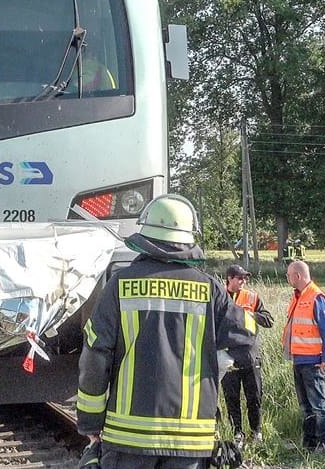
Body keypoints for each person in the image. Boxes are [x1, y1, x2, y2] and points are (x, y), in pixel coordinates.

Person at [76, 194, 256, 468]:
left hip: (128, 438)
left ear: (146, 234)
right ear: (188, 238)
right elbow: (247, 334)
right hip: (191, 442)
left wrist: (90, 421)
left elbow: (95, 356)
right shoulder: (210, 290)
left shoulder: (119, 285)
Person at [283, 260, 325, 453]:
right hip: (299, 359)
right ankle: (309, 444)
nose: (287, 278)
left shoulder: (315, 297)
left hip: (313, 363)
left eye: (289, 275)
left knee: (318, 406)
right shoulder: (298, 296)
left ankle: (324, 446)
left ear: (297, 276)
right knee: (305, 406)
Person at [220, 264, 274, 446]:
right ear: (230, 278)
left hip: (250, 354)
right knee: (231, 397)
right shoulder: (219, 297)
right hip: (228, 355)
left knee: (255, 396)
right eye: (240, 278)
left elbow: (269, 320)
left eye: (245, 278)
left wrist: (251, 314)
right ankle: (237, 433)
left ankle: (256, 433)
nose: (244, 281)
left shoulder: (252, 297)